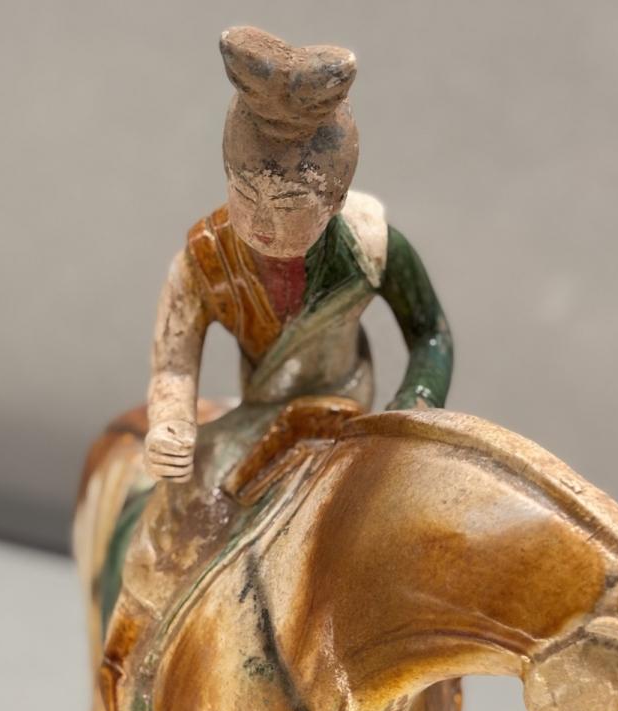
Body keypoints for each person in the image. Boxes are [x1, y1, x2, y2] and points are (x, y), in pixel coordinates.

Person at [143, 25, 453, 486]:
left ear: (335, 200)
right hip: (257, 420)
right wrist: (171, 424)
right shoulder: (205, 260)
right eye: (245, 196)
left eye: (289, 206)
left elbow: (430, 333)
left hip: (347, 414)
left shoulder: (370, 249)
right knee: (182, 513)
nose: (263, 223)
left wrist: (416, 401)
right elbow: (173, 365)